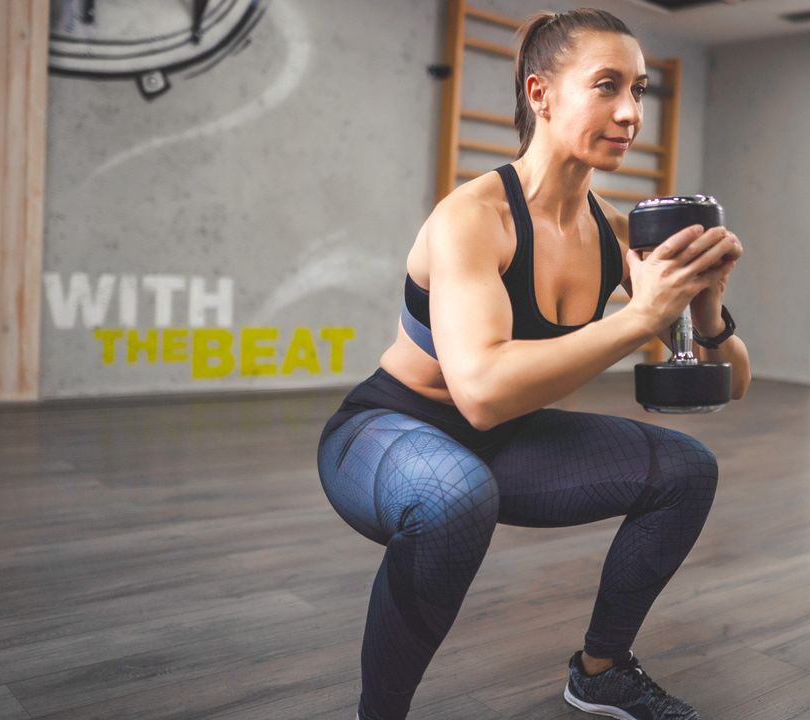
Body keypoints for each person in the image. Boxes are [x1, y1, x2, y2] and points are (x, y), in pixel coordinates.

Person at [317, 8, 750, 720]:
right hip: (388, 429)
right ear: (540, 93)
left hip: (503, 445)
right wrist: (640, 316)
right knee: (454, 494)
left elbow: (731, 384)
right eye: (607, 86)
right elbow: (481, 392)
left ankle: (601, 671)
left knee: (687, 468)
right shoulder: (473, 217)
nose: (631, 112)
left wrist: (704, 311)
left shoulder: (616, 235)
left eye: (639, 90)